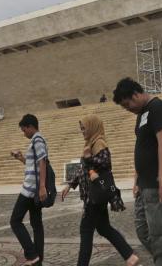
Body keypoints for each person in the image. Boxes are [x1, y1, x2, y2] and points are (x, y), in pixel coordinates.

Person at [113, 77, 162, 266]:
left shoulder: (158, 108)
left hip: (158, 184)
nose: (128, 109)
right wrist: (136, 179)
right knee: (146, 231)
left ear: (136, 94)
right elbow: (142, 148)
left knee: (160, 237)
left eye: (128, 104)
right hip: (145, 184)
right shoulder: (141, 115)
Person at [62, 114, 139, 266]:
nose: (82, 131)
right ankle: (129, 256)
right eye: (81, 128)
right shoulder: (90, 143)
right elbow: (84, 169)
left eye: (84, 128)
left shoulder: (99, 143)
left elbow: (105, 162)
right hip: (94, 194)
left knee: (86, 230)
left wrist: (89, 157)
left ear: (92, 127)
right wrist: (70, 184)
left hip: (94, 194)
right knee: (104, 228)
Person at [9, 114, 48, 266]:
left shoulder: (37, 140)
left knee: (15, 221)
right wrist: (21, 158)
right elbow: (35, 165)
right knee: (36, 224)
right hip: (35, 189)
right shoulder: (36, 140)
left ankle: (32, 254)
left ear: (31, 126)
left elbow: (43, 161)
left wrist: (43, 186)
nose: (23, 133)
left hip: (30, 189)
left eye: (24, 129)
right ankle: (38, 259)